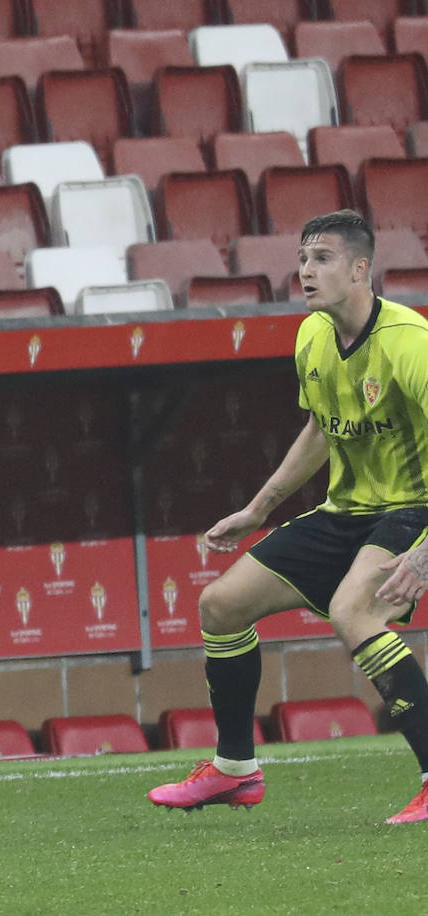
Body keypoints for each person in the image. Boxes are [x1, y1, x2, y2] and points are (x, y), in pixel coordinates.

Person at [148, 209, 428, 825]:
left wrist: (423, 554)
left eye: (322, 258)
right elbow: (319, 431)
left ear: (361, 269)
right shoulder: (311, 335)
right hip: (345, 511)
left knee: (355, 611)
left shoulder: (411, 343)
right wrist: (258, 509)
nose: (305, 271)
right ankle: (235, 769)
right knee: (221, 606)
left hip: (415, 509)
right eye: (302, 258)